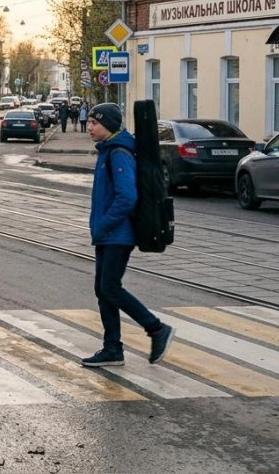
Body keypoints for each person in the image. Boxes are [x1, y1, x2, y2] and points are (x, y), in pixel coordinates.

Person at [82, 103, 173, 368]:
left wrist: (105, 225)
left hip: (117, 234)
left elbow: (127, 197)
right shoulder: (109, 150)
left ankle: (156, 329)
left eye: (94, 123)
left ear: (108, 125)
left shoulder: (118, 153)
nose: (89, 127)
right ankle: (112, 348)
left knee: (110, 287)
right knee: (103, 290)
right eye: (89, 122)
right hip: (109, 233)